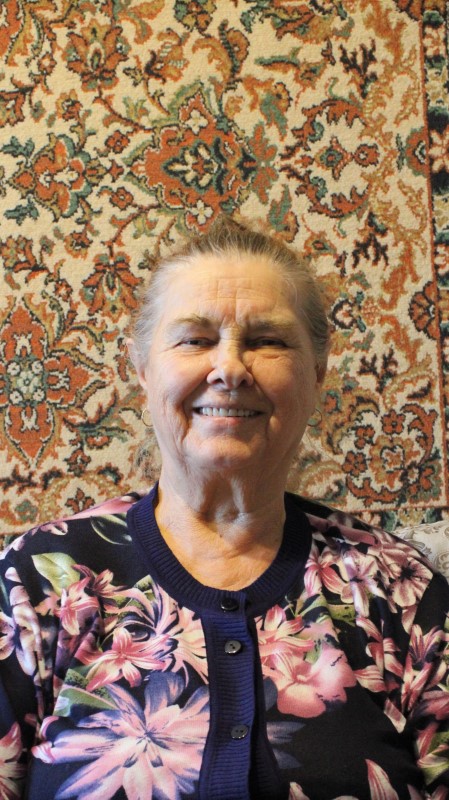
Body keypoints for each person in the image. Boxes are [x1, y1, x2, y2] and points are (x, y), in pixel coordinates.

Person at [0, 216, 448, 800]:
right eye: (194, 339)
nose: (230, 368)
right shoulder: (37, 582)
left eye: (268, 341)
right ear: (143, 369)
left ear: (316, 373)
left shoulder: (400, 591)